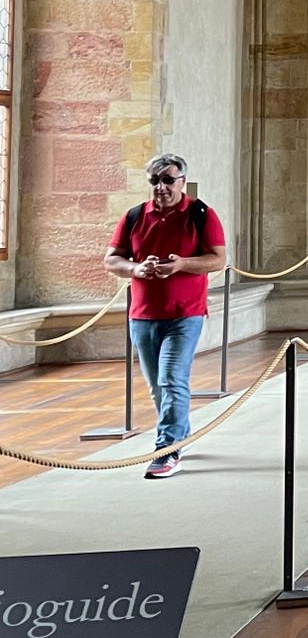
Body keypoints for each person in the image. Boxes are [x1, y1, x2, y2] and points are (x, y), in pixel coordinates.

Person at [103, 153, 228, 479]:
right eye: (155, 181)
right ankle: (179, 434)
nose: (161, 187)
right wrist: (136, 269)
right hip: (143, 315)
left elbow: (217, 260)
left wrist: (181, 264)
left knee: (172, 379)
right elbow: (112, 259)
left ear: (182, 181)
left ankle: (167, 451)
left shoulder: (201, 214)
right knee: (158, 387)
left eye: (168, 180)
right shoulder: (134, 216)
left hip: (185, 314)